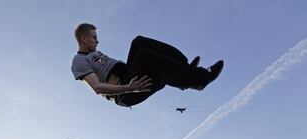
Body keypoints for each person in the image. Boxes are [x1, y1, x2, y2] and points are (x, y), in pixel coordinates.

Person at [71, 23, 224, 107]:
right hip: (125, 92)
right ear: (84, 39)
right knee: (147, 56)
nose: (97, 41)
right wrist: (129, 88)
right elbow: (97, 88)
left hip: (127, 75)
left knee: (139, 42)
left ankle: (186, 68)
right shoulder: (79, 61)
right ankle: (200, 80)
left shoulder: (94, 54)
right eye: (94, 37)